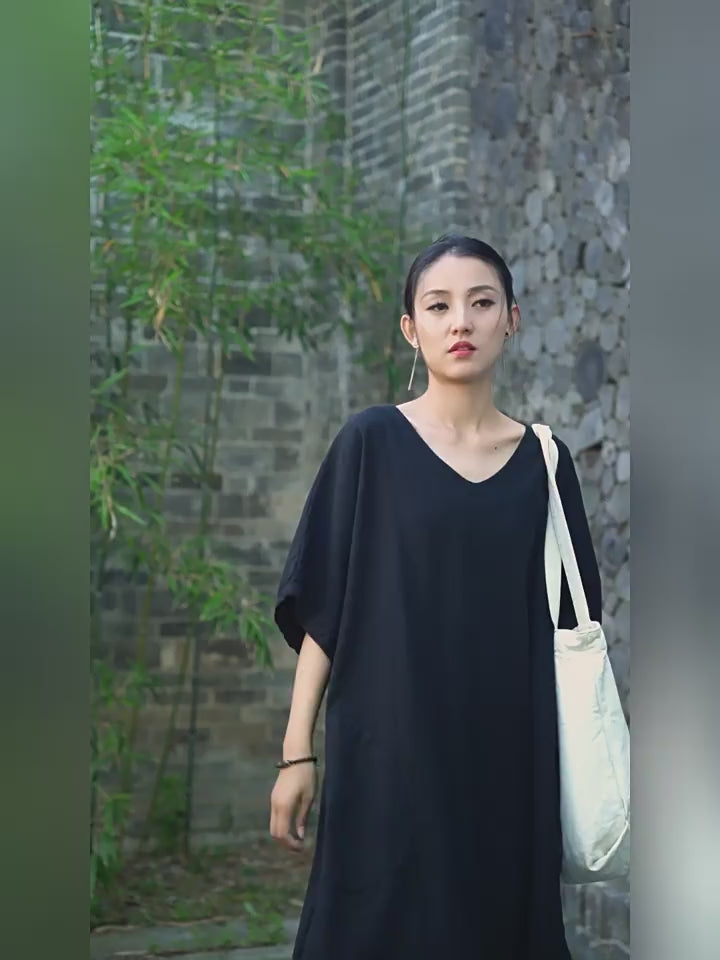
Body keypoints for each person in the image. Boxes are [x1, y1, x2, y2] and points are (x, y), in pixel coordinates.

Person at [270, 234, 602, 959]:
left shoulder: (545, 464)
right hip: (387, 754)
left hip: (510, 762)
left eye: (481, 303)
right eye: (439, 306)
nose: (461, 323)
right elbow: (324, 608)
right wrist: (297, 755)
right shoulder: (370, 442)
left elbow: (572, 622)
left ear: (511, 319)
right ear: (410, 329)